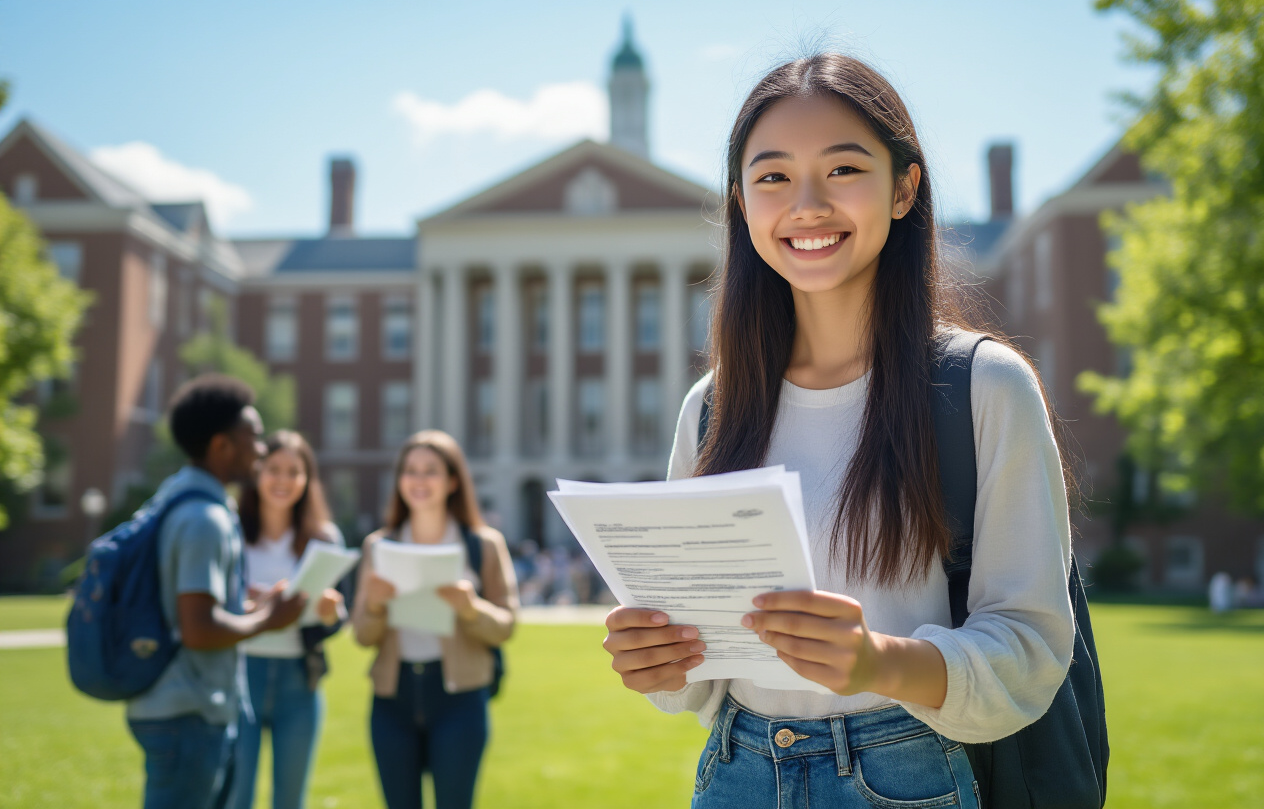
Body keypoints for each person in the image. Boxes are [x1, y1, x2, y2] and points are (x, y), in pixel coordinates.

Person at [602, 54, 1076, 808]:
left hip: (912, 776)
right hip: (736, 773)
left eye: (844, 169)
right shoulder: (713, 408)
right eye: (774, 177)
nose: (808, 205)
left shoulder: (981, 386)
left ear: (903, 188)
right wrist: (661, 660)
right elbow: (696, 686)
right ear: (742, 204)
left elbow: (1033, 646)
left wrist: (879, 662)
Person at [126, 374, 308, 809]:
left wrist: (251, 606)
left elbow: (193, 609)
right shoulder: (204, 519)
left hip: (182, 710)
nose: (261, 450)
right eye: (255, 437)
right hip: (186, 714)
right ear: (222, 446)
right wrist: (269, 619)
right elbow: (198, 629)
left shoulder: (177, 497)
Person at [352, 430, 519, 809]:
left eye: (431, 470)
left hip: (460, 699)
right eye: (410, 471)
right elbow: (362, 636)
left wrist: (469, 607)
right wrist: (375, 605)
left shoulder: (482, 544)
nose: (419, 480)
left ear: (452, 481)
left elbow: (506, 626)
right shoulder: (379, 546)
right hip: (392, 698)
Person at [229, 430, 348, 809]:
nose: (283, 480)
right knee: (236, 797)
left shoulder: (324, 538)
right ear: (256, 473)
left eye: (294, 472)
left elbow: (332, 621)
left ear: (307, 480)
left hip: (300, 681)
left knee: (290, 800)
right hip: (240, 675)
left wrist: (331, 613)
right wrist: (256, 607)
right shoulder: (231, 532)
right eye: (274, 469)